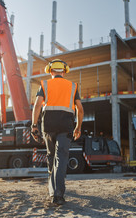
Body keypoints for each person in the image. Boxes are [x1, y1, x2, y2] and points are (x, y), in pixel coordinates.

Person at [31, 59, 84, 206]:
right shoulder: (72, 86)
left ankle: (52, 191)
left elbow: (36, 106)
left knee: (51, 157)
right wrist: (78, 127)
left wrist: (34, 126)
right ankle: (58, 195)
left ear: (50, 70)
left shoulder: (45, 84)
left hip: (48, 125)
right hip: (66, 126)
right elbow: (80, 109)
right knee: (61, 159)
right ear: (64, 71)